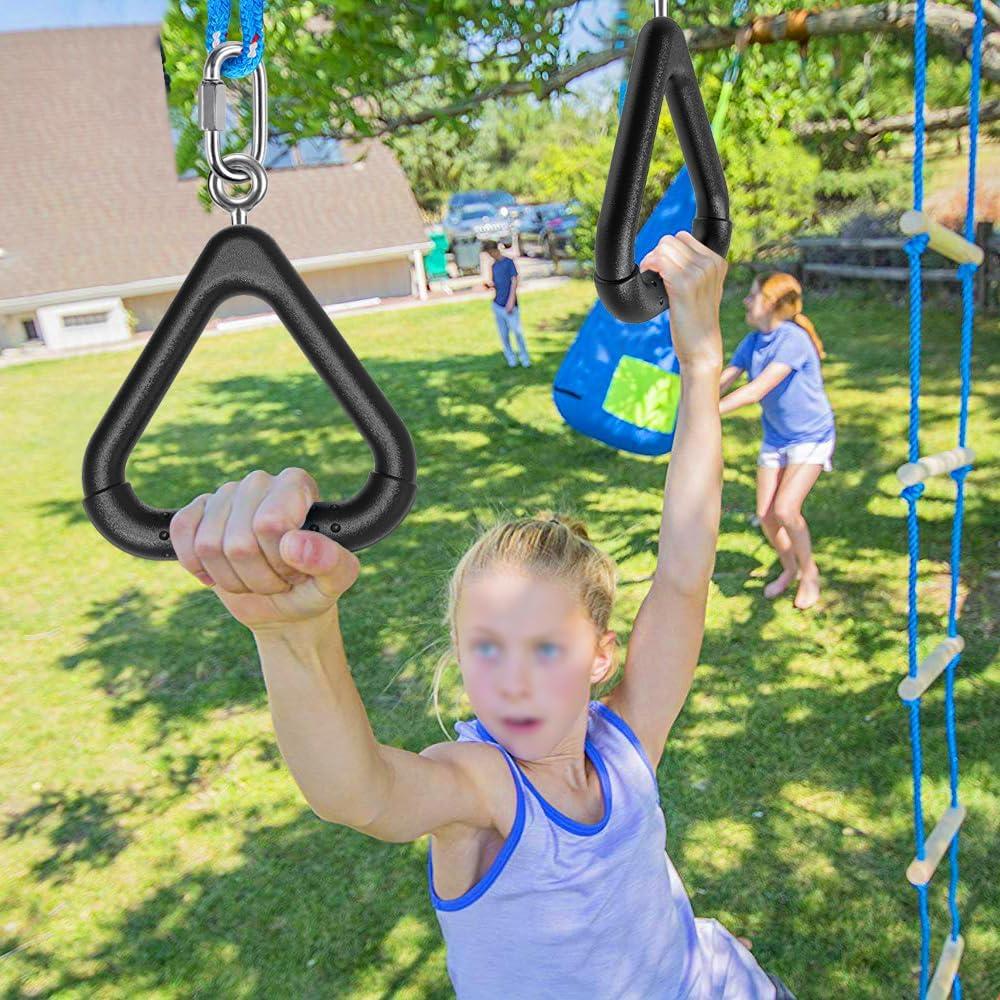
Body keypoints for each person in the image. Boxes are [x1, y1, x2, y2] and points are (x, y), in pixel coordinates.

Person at [168, 233, 795, 999]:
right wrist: (291, 634)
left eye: (545, 649)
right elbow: (359, 792)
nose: (514, 683)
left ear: (602, 656)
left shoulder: (628, 747)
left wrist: (700, 366)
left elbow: (684, 573)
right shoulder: (485, 790)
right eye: (486, 648)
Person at [719, 272, 834, 611]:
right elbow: (727, 377)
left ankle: (810, 573)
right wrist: (695, 399)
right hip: (777, 436)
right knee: (766, 515)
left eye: (752, 295)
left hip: (811, 435)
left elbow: (757, 390)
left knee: (786, 509)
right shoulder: (753, 341)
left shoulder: (792, 340)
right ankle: (790, 568)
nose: (746, 300)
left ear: (769, 303)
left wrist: (709, 412)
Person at [483, 239, 531, 368]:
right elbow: (497, 283)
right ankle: (511, 359)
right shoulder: (494, 266)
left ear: (495, 250)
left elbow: (514, 282)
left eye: (490, 252)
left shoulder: (509, 262)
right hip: (497, 304)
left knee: (517, 332)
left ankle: (524, 357)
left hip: (510, 305)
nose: (490, 255)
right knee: (504, 335)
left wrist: (511, 301)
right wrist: (489, 285)